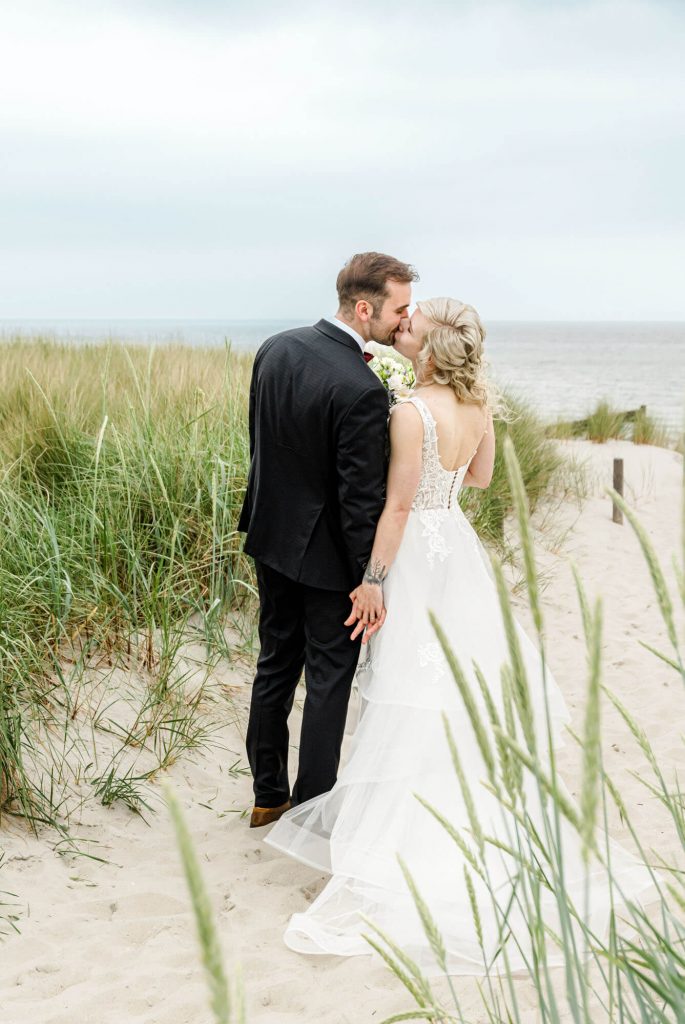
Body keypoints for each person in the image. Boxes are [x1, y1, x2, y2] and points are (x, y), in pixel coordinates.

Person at [265, 297, 655, 974]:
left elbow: (392, 504)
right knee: (451, 682)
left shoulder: (408, 412)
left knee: (408, 686)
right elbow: (475, 478)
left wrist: (375, 579)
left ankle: (402, 827)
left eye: (411, 328)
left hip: (414, 553)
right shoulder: (478, 408)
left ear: (432, 349)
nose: (401, 329)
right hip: (457, 549)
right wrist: (439, 503)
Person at [238, 252, 419, 828]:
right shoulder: (362, 388)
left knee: (274, 666)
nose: (403, 320)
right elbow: (358, 501)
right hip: (327, 564)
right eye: (399, 309)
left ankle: (268, 796)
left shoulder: (276, 347)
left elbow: (259, 446)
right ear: (364, 308)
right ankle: (311, 812)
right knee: (327, 684)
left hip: (270, 538)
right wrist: (370, 579)